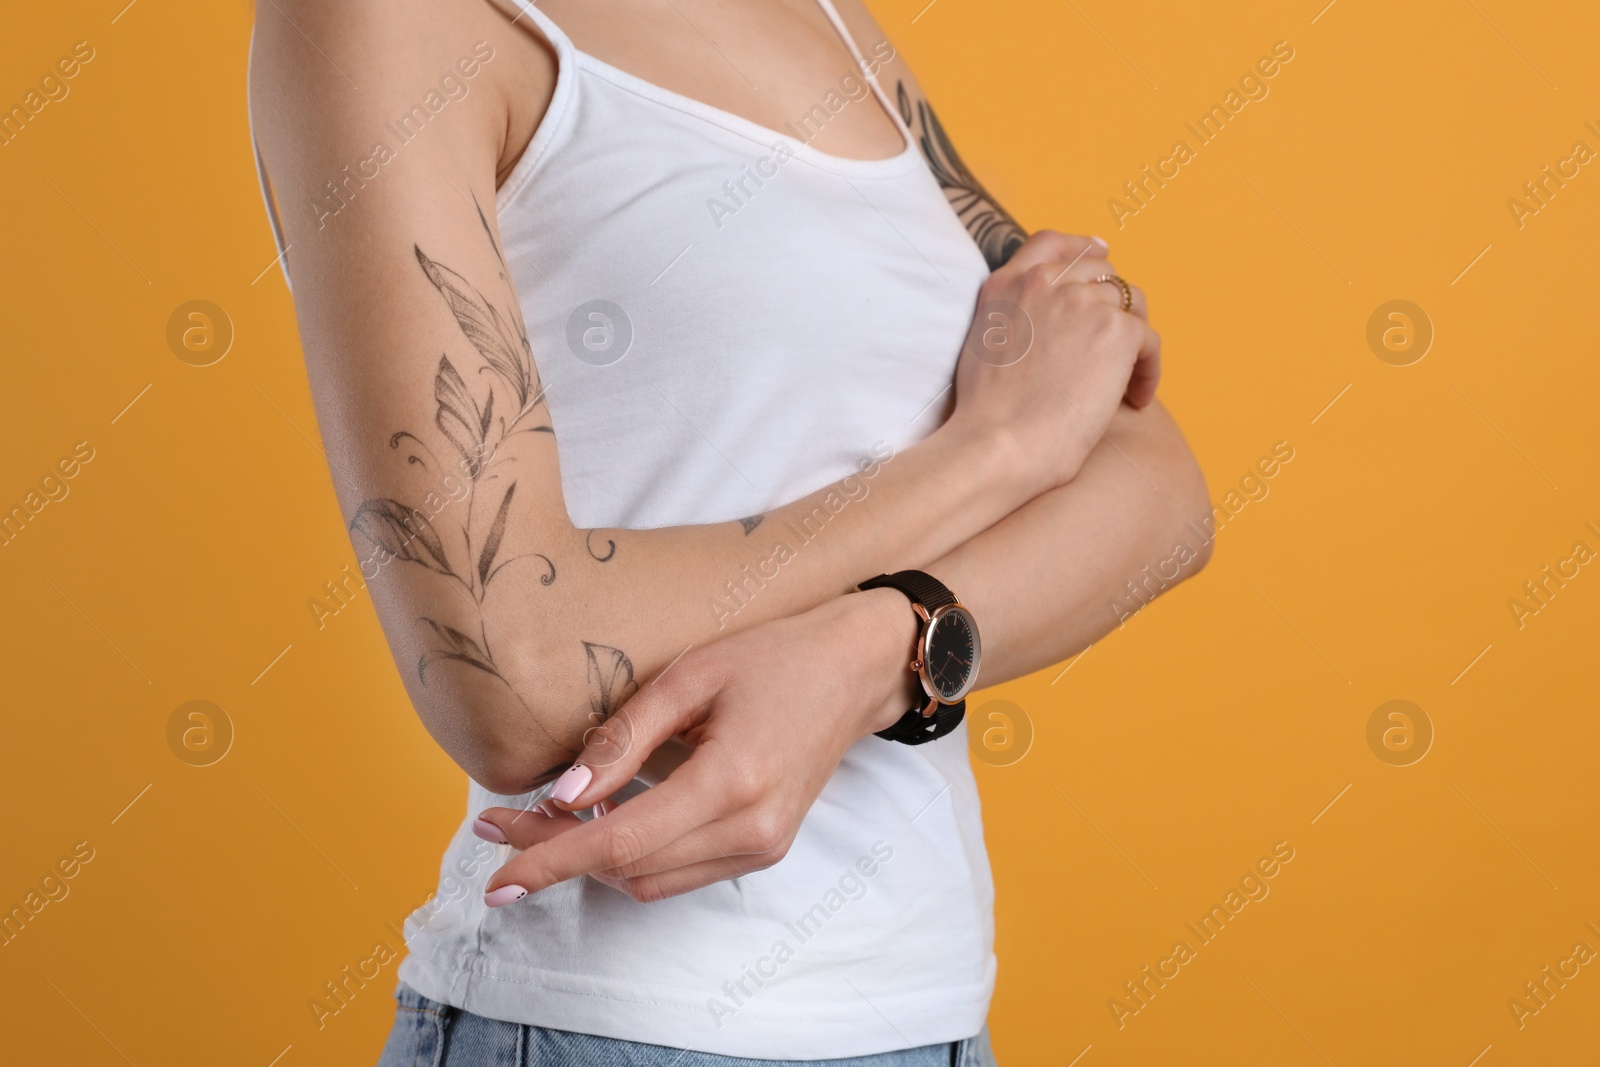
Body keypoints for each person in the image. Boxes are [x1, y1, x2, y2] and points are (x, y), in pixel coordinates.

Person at [248, 1, 1210, 1063]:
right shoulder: (382, 20)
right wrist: (991, 451)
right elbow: (510, 670)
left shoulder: (825, 18)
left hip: (931, 1016)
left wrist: (875, 649)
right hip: (609, 1024)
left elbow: (1158, 486)